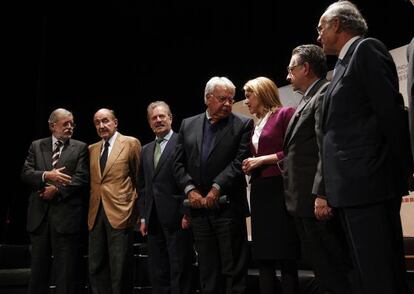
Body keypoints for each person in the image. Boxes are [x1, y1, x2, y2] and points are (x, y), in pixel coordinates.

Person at [315, 1, 411, 293]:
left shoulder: (367, 50)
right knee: (367, 275)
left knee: (381, 274)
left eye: (321, 27)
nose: (318, 34)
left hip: (369, 185)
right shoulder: (344, 64)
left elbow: (390, 113)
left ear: (338, 25)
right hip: (351, 189)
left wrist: (405, 167)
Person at [282, 44, 352, 294]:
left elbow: (325, 148)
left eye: (291, 69)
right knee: (322, 268)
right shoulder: (309, 98)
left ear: (305, 68)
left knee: (331, 268)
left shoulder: (322, 94)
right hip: (302, 203)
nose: (287, 75)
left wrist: (321, 193)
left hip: (315, 203)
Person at [174, 76, 253, 294]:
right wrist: (190, 191)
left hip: (228, 208)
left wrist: (216, 188)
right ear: (208, 98)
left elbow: (239, 162)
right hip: (199, 210)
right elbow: (178, 163)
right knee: (208, 270)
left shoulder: (243, 124)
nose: (228, 103)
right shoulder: (187, 124)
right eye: (222, 99)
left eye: (231, 99)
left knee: (233, 270)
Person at [21, 108, 89, 294]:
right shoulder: (37, 146)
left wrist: (56, 190)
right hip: (39, 218)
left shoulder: (80, 147)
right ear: (52, 126)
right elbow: (26, 174)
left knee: (66, 273)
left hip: (66, 218)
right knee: (38, 271)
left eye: (72, 123)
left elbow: (81, 178)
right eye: (65, 123)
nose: (70, 127)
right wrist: (46, 175)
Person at [242, 76, 299, 294]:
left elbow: (294, 151)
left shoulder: (285, 114)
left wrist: (262, 159)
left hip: (280, 189)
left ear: (262, 93)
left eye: (249, 96)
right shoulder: (255, 126)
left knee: (285, 255)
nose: (246, 101)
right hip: (260, 191)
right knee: (263, 256)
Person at [138, 101, 193, 294]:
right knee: (158, 270)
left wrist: (188, 212)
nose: (158, 120)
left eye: (162, 116)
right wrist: (143, 216)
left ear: (171, 118)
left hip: (178, 217)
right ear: (149, 122)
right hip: (153, 219)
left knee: (180, 268)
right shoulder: (145, 149)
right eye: (154, 118)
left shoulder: (183, 142)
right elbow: (143, 186)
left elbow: (190, 179)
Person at [88, 108, 141, 294]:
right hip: (95, 214)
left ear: (115, 122)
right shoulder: (92, 149)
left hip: (121, 212)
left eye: (105, 121)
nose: (101, 125)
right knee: (96, 265)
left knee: (120, 267)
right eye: (97, 122)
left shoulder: (130, 143)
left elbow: (138, 180)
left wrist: (138, 215)